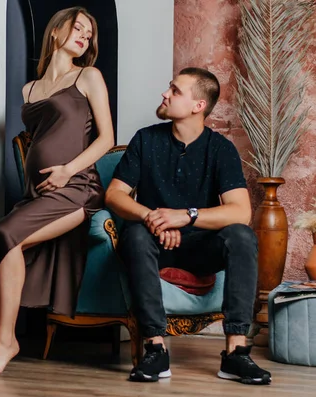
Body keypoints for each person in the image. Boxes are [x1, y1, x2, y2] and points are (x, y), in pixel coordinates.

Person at [0, 7, 114, 379]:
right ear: (56, 32)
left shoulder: (88, 76)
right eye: (78, 27)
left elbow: (107, 139)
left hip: (77, 190)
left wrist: (68, 170)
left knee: (5, 238)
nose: (85, 35)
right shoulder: (29, 90)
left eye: (89, 32)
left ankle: (5, 340)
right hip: (38, 195)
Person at [106, 67, 272, 385]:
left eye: (175, 90)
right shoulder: (145, 140)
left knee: (242, 236)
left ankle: (236, 353)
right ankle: (155, 349)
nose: (165, 94)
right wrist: (151, 218)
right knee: (135, 236)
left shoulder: (221, 149)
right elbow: (114, 195)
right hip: (156, 243)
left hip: (201, 247)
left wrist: (187, 215)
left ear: (198, 106)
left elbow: (240, 212)